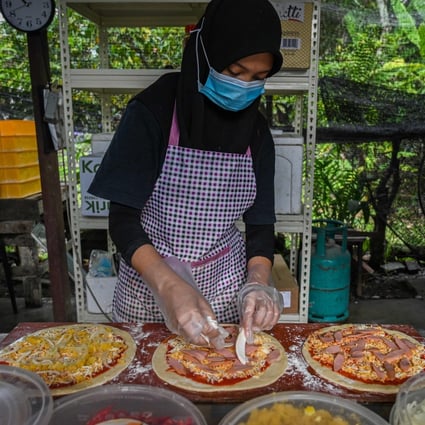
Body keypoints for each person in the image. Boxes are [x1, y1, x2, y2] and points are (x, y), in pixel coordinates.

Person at [89, 0, 284, 348]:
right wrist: (168, 286)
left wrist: (257, 282)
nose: (244, 87)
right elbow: (122, 219)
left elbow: (260, 224)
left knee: (220, 376)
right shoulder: (155, 110)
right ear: (206, 54)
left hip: (223, 285)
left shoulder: (256, 132)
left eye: (258, 78)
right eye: (236, 72)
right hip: (150, 281)